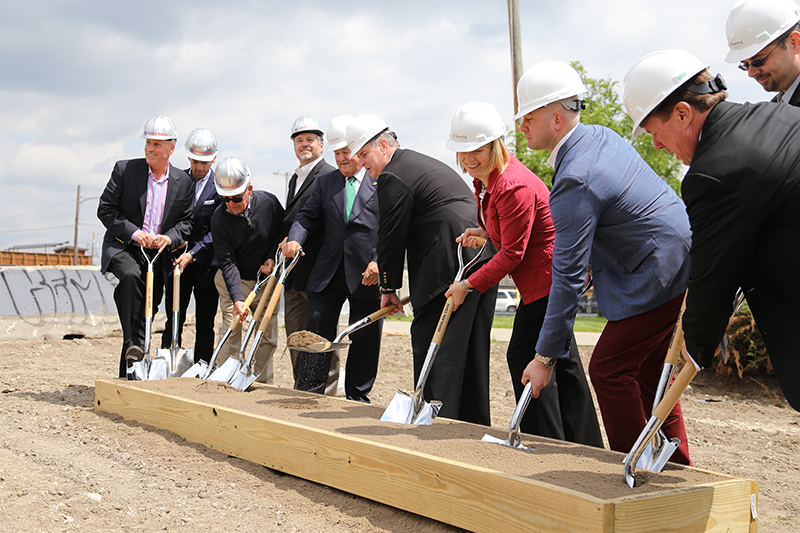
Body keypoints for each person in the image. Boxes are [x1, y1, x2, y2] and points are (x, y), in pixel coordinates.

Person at [515, 61, 693, 464]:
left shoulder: (575, 177)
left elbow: (568, 275)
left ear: (556, 118)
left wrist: (545, 358)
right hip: (678, 254)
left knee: (609, 370)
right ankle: (677, 469)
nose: (522, 126)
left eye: (528, 117)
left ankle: (636, 469)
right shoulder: (599, 137)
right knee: (649, 373)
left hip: (659, 270)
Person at [623, 49, 800, 412]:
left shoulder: (716, 171)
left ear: (683, 113)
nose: (656, 145)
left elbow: (713, 270)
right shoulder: (776, 116)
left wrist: (698, 341)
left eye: (655, 132)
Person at [443, 102, 603, 447]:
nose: (469, 158)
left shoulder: (511, 185)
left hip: (548, 281)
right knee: (565, 363)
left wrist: (468, 285)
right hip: (544, 279)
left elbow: (514, 254)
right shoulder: (488, 179)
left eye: (477, 149)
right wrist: (486, 233)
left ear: (494, 144)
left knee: (524, 355)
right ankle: (582, 443)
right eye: (463, 151)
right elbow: (516, 234)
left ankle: (542, 440)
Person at [347, 113, 498, 426]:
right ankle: (469, 423)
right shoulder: (413, 165)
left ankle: (437, 420)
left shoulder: (394, 175)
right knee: (469, 347)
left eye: (364, 154)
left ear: (384, 145)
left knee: (433, 339)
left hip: (450, 259)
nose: (362, 164)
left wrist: (388, 289)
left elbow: (390, 236)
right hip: (479, 256)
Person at [282, 115, 382, 402]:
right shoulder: (326, 183)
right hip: (327, 274)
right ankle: (310, 394)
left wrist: (379, 260)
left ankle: (357, 398)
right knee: (316, 333)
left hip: (367, 273)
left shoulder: (380, 182)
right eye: (337, 153)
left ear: (360, 151)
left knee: (365, 337)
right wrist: (294, 239)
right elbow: (305, 217)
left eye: (346, 152)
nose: (341, 158)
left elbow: (390, 227)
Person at [97, 115, 195, 377]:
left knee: (146, 309)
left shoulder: (184, 183)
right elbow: (105, 210)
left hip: (158, 255)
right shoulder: (125, 170)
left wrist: (169, 237)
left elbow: (187, 222)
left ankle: (132, 367)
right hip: (125, 247)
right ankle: (134, 348)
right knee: (130, 278)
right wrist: (136, 233)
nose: (150, 148)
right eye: (148, 142)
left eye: (157, 144)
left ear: (171, 149)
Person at [211, 157, 283, 383]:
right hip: (235, 278)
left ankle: (258, 381)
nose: (231, 204)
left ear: (249, 189)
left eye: (236, 198)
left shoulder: (269, 203)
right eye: (225, 199)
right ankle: (226, 380)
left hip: (266, 277)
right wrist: (237, 300)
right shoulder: (219, 219)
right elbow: (227, 262)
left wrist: (271, 256)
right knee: (232, 328)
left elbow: (280, 232)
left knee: (266, 333)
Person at [281, 116, 338, 392]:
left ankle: (326, 393)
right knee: (295, 336)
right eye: (299, 140)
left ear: (322, 144)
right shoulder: (294, 177)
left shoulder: (328, 175)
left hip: (317, 272)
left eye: (310, 140)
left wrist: (297, 238)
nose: (304, 145)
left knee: (319, 336)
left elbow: (328, 221)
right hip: (293, 273)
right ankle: (301, 389)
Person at [160, 128, 223, 364]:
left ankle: (202, 366)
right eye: (196, 161)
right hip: (177, 263)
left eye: (205, 162)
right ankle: (169, 364)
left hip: (206, 266)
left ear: (214, 158)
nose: (200, 167)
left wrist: (194, 254)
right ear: (188, 157)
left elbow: (217, 231)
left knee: (205, 322)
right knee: (174, 317)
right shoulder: (176, 182)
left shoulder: (220, 186)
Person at [725, 0, 800, 105]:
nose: (751, 73)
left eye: (758, 61)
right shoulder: (778, 108)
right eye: (745, 65)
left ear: (794, 42)